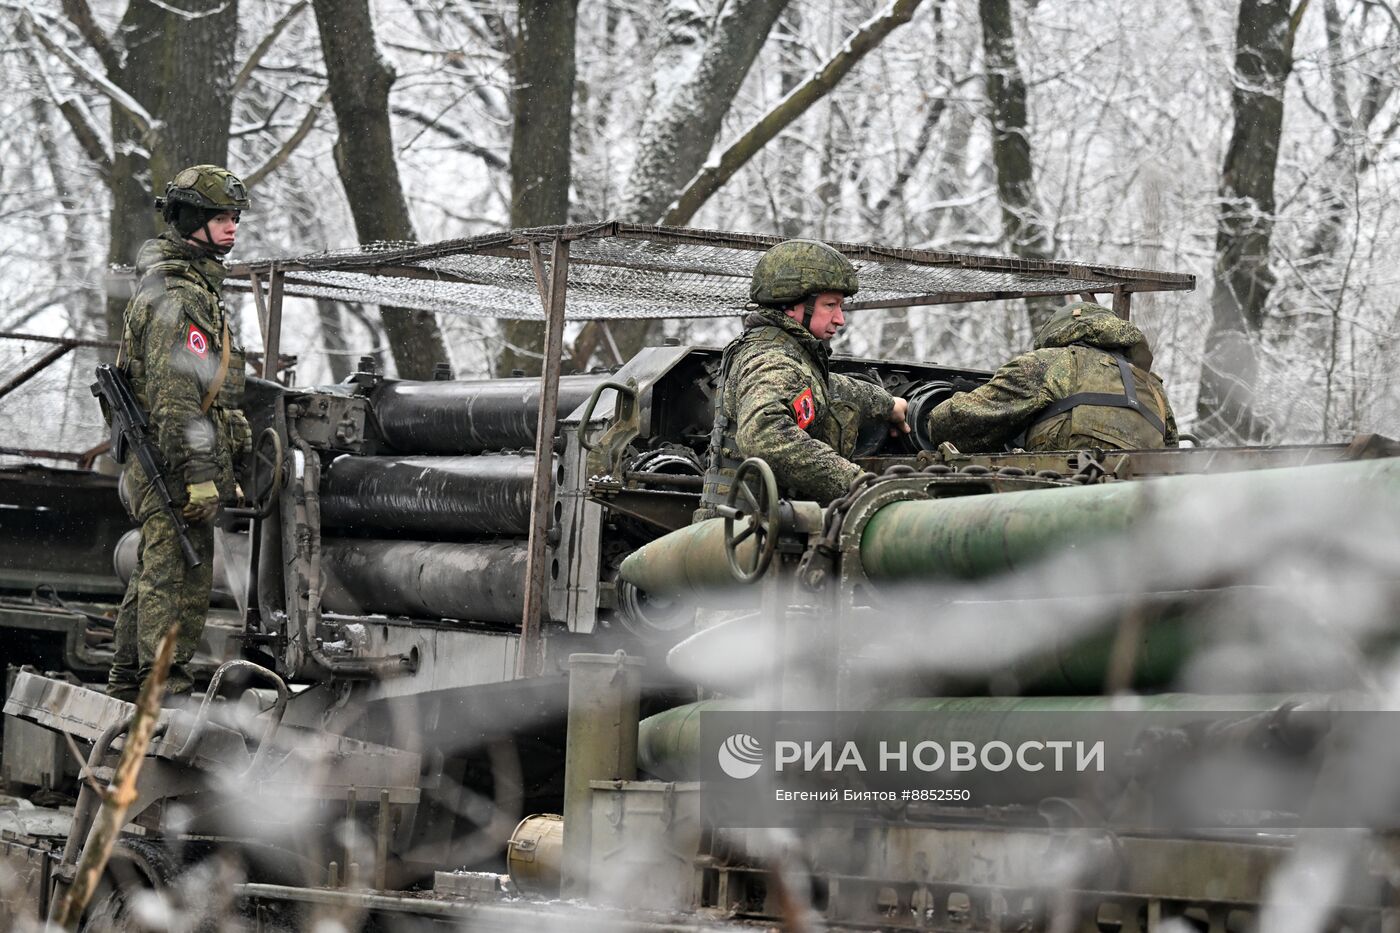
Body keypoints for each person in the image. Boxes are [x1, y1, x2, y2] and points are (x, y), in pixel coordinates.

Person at [106, 165, 252, 703]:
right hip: (172, 464)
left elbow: (206, 393)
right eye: (220, 217)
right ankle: (161, 695)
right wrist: (200, 478)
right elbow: (177, 399)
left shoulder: (187, 288)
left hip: (167, 459)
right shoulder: (178, 298)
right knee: (179, 582)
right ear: (192, 220)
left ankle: (129, 685)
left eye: (234, 216)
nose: (232, 226)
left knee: (155, 572)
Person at [698, 239, 910, 514]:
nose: (840, 319)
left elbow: (821, 387)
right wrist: (858, 485)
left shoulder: (783, 353)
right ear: (791, 306)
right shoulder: (773, 360)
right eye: (830, 305)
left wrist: (887, 404)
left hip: (753, 529)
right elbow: (765, 437)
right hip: (751, 537)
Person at [924, 301, 1178, 453]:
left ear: (1058, 334)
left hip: (1061, 502)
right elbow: (1171, 453)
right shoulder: (1153, 387)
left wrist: (929, 411)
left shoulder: (1048, 363)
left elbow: (950, 426)